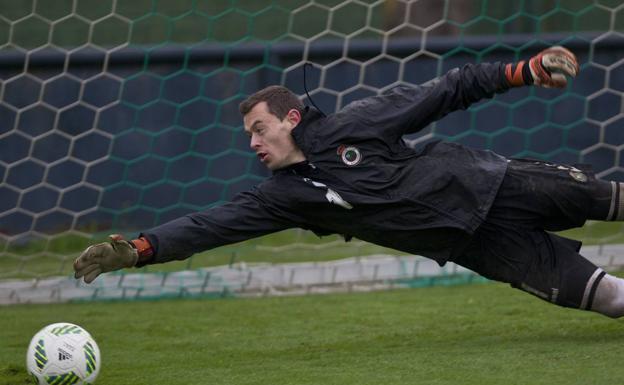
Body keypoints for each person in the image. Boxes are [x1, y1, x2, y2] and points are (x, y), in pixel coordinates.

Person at [74, 46, 624, 318]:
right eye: (247, 135)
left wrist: (522, 71)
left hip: (497, 183)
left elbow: (449, 88)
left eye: (259, 128)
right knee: (611, 300)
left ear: (290, 119)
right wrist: (139, 249)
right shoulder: (283, 199)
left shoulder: (354, 124)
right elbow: (208, 226)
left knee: (615, 201)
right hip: (483, 247)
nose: (253, 142)